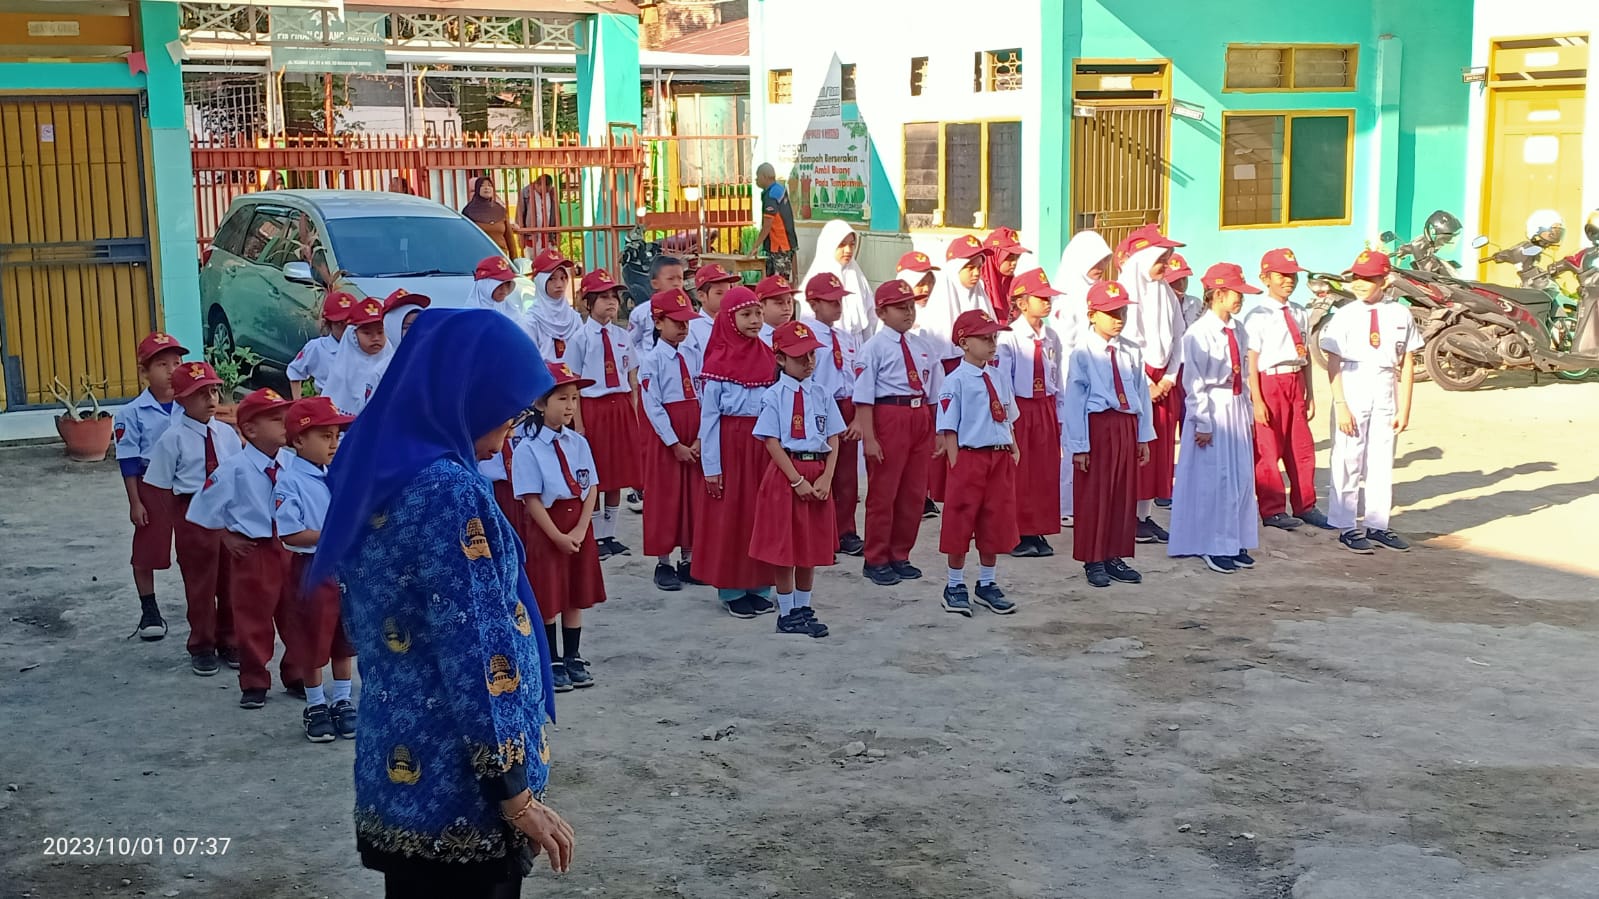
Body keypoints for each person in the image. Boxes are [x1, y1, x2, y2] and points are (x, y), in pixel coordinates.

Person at [308, 309, 574, 896]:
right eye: (508, 408)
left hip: (396, 766)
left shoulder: (377, 466)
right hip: (458, 791)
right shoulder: (448, 493)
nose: (512, 424)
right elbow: (476, 653)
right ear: (468, 395)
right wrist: (514, 795)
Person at [186, 387, 299, 709]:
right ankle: (254, 681)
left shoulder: (293, 463)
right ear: (249, 429)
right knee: (252, 620)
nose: (285, 425)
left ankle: (297, 673)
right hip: (255, 552)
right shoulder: (233, 468)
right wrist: (226, 536)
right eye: (276, 420)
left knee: (296, 614)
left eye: (286, 417)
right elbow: (201, 508)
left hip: (290, 548)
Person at [514, 362, 606, 693]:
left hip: (577, 523)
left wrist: (581, 529)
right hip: (548, 526)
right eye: (562, 399)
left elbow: (591, 486)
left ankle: (573, 655)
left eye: (574, 399)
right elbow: (531, 499)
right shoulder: (527, 448)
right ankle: (551, 658)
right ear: (541, 403)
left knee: (575, 591)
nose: (570, 407)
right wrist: (557, 536)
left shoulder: (577, 442)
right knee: (549, 590)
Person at [144, 361, 240, 674]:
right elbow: (159, 485)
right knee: (200, 583)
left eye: (213, 391)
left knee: (231, 579)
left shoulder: (226, 434)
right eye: (201, 393)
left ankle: (230, 638)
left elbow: (238, 473)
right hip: (192, 512)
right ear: (181, 399)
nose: (211, 399)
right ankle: (202, 644)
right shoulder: (172, 438)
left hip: (227, 511)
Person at [750, 320, 843, 638]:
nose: (808, 362)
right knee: (785, 545)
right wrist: (795, 480)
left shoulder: (822, 393)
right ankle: (787, 612)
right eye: (800, 356)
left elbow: (834, 437)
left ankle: (804, 608)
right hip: (786, 473)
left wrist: (827, 477)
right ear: (780, 358)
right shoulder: (774, 396)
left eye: (812, 355)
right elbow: (771, 441)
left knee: (809, 544)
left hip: (817, 471)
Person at [1320, 250, 1417, 554]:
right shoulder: (1345, 314)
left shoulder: (1400, 313)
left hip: (1385, 382)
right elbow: (1333, 360)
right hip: (1353, 379)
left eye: (1368, 278)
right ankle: (1345, 524)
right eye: (1356, 278)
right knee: (1348, 456)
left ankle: (1377, 523)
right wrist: (1341, 404)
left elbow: (1408, 360)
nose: (1359, 283)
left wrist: (1405, 407)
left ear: (1384, 280)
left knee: (1381, 458)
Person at [274, 395, 358, 742]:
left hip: (344, 569)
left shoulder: (337, 475)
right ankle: (315, 704)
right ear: (298, 441)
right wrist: (332, 535)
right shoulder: (290, 481)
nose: (334, 443)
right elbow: (289, 533)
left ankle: (342, 699)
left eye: (337, 435)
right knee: (314, 638)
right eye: (325, 436)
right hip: (312, 567)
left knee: (343, 637)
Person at [1168, 264, 1261, 574]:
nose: (1240, 300)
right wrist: (1203, 422)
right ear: (1218, 294)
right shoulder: (1198, 334)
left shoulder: (1239, 329)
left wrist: (1248, 412)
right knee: (1215, 478)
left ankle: (1236, 539)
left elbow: (1243, 375)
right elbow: (1193, 382)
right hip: (1213, 406)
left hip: (1235, 406)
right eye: (1236, 294)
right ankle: (1213, 543)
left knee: (1240, 477)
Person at [693, 285, 778, 617]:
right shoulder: (717, 363)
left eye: (758, 313)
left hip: (763, 445)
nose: (755, 320)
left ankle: (760, 584)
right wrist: (712, 467)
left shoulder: (769, 357)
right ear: (729, 320)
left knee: (761, 514)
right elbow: (710, 419)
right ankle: (732, 588)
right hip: (730, 446)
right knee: (731, 516)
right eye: (746, 315)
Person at [1065, 282, 1154, 589]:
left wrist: (1143, 437)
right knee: (1095, 493)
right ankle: (1093, 558)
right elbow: (1075, 400)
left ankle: (1115, 554)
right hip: (1098, 425)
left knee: (1122, 493)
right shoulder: (1083, 352)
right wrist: (1079, 445)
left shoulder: (1131, 349)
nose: (1119, 319)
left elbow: (1141, 392)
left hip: (1126, 423)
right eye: (1112, 313)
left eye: (1123, 312)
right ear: (1092, 314)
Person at [852, 280, 940, 587]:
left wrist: (936, 431)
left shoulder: (922, 346)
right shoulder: (873, 348)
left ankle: (900, 554)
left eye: (911, 306)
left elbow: (934, 392)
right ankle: (876, 558)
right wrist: (870, 437)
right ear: (881, 312)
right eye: (900, 307)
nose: (908, 312)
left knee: (913, 492)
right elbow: (864, 396)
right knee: (884, 492)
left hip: (919, 415)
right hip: (890, 414)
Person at [936, 310, 1022, 617]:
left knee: (995, 519)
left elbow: (1008, 415)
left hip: (998, 456)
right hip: (970, 456)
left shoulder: (998, 377)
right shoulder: (955, 381)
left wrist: (1013, 448)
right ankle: (954, 584)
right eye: (984, 338)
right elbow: (949, 427)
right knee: (960, 520)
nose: (992, 344)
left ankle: (987, 583)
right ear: (964, 342)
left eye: (994, 338)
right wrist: (956, 463)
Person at [1245, 248, 1331, 531]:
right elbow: (1252, 360)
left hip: (1295, 380)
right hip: (1270, 381)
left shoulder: (1299, 312)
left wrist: (1310, 393)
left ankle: (1306, 504)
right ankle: (1272, 510)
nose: (1288, 281)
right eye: (1281, 275)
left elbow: (1304, 354)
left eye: (1293, 275)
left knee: (1301, 447)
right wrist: (1257, 400)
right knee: (1268, 448)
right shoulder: (1258, 315)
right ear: (1265, 278)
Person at [116, 331, 188, 642]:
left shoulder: (190, 404)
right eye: (162, 364)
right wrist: (135, 501)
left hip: (188, 482)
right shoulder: (131, 412)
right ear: (144, 371)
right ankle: (149, 609)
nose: (172, 370)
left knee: (198, 547)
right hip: (151, 484)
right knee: (147, 548)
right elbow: (129, 460)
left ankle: (204, 607)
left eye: (177, 363)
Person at [1116, 224, 1185, 539]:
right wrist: (1147, 383)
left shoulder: (1165, 291)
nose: (1166, 266)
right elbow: (1125, 343)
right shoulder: (1126, 292)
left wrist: (1169, 377)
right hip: (1135, 379)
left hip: (1164, 382)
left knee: (1159, 451)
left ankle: (1144, 516)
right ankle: (1127, 515)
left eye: (1168, 259)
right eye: (1161, 259)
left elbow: (1179, 336)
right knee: (1137, 448)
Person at [571, 268, 640, 559]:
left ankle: (609, 533)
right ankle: (596, 535)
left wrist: (633, 413)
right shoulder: (580, 338)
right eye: (603, 297)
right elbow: (574, 384)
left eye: (614, 296)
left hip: (619, 406)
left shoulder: (622, 335)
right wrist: (578, 424)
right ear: (588, 303)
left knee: (617, 473)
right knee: (596, 473)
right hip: (593, 407)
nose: (611, 302)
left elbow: (632, 377)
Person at [639, 288, 705, 591]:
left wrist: (700, 437)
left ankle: (688, 558)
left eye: (686, 322)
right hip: (668, 436)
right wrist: (674, 443)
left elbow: (703, 395)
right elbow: (653, 405)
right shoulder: (652, 360)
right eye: (676, 321)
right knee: (666, 497)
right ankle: (663, 561)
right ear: (658, 322)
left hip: (693, 430)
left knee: (692, 495)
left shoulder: (693, 354)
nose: (683, 327)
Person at [996, 269, 1065, 557]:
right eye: (1041, 298)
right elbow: (1003, 381)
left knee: (1044, 471)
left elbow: (1057, 377)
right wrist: (1008, 420)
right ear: (1023, 303)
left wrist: (1059, 415)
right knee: (1020, 472)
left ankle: (1038, 528)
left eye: (1049, 298)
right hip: (1020, 409)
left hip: (1045, 406)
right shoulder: (1009, 338)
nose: (1047, 303)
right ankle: (1016, 532)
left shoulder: (1052, 337)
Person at [1051, 230, 1114, 525]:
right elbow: (1066, 341)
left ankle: (1089, 499)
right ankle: (1067, 504)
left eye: (1103, 261)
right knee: (1073, 438)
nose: (1100, 268)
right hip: (1072, 372)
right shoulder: (1066, 296)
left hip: (1097, 371)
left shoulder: (1097, 293)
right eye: (1094, 262)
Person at [800, 272, 863, 557]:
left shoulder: (846, 337)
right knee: (819, 469)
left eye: (839, 301)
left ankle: (845, 530)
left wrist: (857, 414)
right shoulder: (806, 335)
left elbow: (856, 377)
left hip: (846, 404)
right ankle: (820, 531)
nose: (837, 307)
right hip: (819, 406)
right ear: (814, 304)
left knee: (847, 473)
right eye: (831, 301)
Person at [798, 219, 876, 340]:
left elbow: (870, 318)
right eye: (841, 245)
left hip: (857, 344)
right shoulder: (815, 281)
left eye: (852, 244)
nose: (848, 250)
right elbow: (809, 323)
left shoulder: (857, 276)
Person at [323, 297, 394, 417]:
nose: (375, 338)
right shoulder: (341, 372)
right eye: (367, 333)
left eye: (380, 332)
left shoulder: (392, 365)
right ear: (353, 336)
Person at [288, 292, 356, 398]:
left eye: (351, 324)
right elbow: (295, 371)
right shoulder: (317, 347)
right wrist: (297, 402)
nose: (346, 329)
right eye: (340, 324)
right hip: (328, 402)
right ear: (328, 324)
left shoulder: (366, 348)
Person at [524, 248, 583, 368]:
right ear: (540, 281)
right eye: (552, 279)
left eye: (563, 278)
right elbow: (529, 358)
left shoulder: (574, 319)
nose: (559, 285)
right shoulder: (532, 320)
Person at [627, 256, 688, 357]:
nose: (676, 284)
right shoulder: (641, 312)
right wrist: (642, 360)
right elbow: (631, 342)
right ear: (655, 283)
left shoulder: (686, 311)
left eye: (680, 278)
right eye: (670, 279)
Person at [756, 162, 797, 279]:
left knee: (778, 282)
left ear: (764, 176)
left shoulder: (771, 195)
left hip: (778, 246)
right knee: (783, 281)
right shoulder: (780, 189)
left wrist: (755, 246)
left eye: (757, 177)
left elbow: (767, 225)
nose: (756, 180)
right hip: (787, 243)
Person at [980, 228, 1029, 324]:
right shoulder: (979, 287)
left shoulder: (1013, 287)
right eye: (1009, 258)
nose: (1014, 263)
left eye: (1017, 257)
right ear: (994, 257)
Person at [462, 175, 520, 258]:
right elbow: (465, 238)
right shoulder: (469, 211)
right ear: (477, 189)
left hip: (500, 256)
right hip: (479, 256)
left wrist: (514, 258)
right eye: (482, 186)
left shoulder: (500, 210)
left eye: (489, 185)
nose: (486, 188)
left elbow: (509, 237)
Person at [688, 263, 739, 351]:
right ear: (701, 296)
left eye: (728, 292)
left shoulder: (735, 322)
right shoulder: (692, 329)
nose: (726, 298)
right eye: (719, 293)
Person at [517, 174, 560, 257]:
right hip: (531, 236)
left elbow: (557, 214)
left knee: (549, 260)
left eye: (547, 190)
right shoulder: (525, 193)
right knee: (532, 261)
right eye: (542, 190)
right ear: (537, 185)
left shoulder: (552, 192)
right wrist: (520, 236)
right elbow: (520, 215)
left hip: (549, 236)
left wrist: (557, 234)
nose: (544, 193)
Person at [756, 274, 799, 342]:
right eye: (779, 303)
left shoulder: (797, 333)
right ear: (761, 307)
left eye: (789, 302)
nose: (787, 308)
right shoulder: (755, 339)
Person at [1165, 253, 1202, 328]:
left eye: (1184, 278)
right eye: (1175, 280)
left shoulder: (1196, 304)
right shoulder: (1157, 307)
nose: (1181, 284)